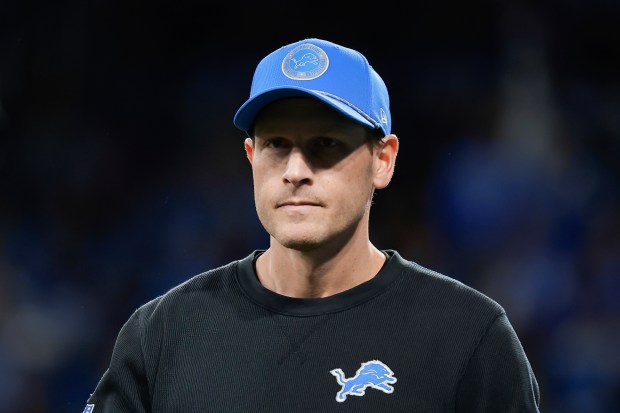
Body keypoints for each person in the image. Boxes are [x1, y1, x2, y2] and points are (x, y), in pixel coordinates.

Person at [83, 38, 541, 412]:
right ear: (251, 159)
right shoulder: (164, 334)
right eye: (277, 145)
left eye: (325, 144)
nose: (295, 169)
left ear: (383, 160)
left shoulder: (467, 337)